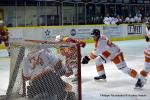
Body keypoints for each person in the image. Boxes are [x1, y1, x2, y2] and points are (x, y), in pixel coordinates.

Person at [135, 23, 150, 88]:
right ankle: (141, 81)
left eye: (148, 24)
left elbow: (147, 38)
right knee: (146, 69)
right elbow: (147, 39)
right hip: (148, 52)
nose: (147, 25)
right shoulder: (147, 28)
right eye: (147, 24)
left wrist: (147, 37)